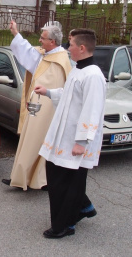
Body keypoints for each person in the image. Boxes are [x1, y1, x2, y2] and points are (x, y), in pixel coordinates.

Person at [35, 28, 106, 239]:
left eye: (71, 44)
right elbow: (68, 96)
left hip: (76, 142)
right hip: (63, 138)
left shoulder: (93, 76)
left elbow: (91, 110)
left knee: (66, 183)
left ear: (82, 48)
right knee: (60, 179)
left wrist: (82, 142)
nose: (68, 48)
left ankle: (64, 225)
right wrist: (48, 92)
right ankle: (82, 209)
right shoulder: (78, 70)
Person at [1, 20, 72, 190]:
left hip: (47, 113)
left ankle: (35, 179)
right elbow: (27, 52)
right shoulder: (46, 55)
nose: (39, 41)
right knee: (30, 142)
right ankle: (24, 178)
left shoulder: (60, 61)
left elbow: (59, 90)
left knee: (37, 143)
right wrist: (15, 33)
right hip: (37, 110)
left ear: (52, 42)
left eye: (42, 38)